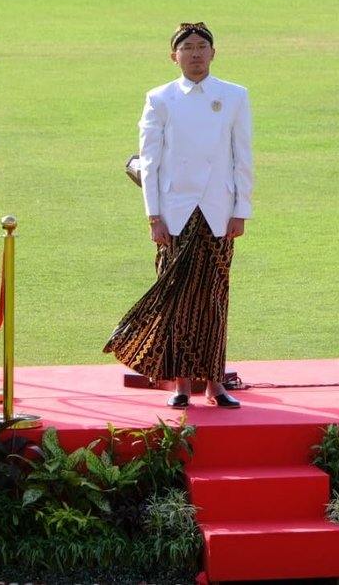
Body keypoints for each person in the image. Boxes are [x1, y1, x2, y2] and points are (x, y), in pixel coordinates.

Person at [103, 21, 253, 410]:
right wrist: (154, 217)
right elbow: (149, 163)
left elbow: (243, 157)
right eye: (187, 47)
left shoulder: (234, 96)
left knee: (213, 298)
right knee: (177, 297)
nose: (196, 53)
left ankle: (215, 382)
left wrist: (242, 210)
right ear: (174, 56)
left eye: (202, 46)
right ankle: (180, 382)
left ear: (213, 53)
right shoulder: (160, 98)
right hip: (176, 213)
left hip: (218, 211)